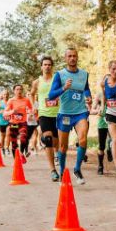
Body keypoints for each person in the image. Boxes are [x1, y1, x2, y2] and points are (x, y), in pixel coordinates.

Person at [48, 48, 92, 185]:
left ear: (77, 57)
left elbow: (85, 88)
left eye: (74, 56)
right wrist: (64, 88)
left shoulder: (84, 74)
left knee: (83, 139)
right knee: (62, 146)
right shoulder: (60, 75)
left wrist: (88, 96)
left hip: (80, 112)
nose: (72, 58)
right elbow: (51, 95)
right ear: (65, 58)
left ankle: (77, 169)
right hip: (65, 114)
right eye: (70, 56)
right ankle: (62, 172)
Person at [30, 56, 61, 181]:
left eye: (49, 64)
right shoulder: (37, 82)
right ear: (41, 66)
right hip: (44, 113)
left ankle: (57, 153)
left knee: (56, 140)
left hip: (58, 113)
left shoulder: (57, 79)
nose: (47, 66)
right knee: (48, 139)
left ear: (51, 66)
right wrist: (35, 106)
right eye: (45, 64)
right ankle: (53, 170)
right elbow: (31, 94)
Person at [3, 84, 34, 161]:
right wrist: (13, 111)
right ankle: (16, 160)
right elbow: (5, 113)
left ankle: (21, 152)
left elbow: (31, 109)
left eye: (20, 89)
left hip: (23, 122)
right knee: (14, 142)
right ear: (14, 91)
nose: (19, 91)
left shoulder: (26, 100)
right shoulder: (11, 100)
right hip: (13, 123)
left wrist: (30, 112)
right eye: (17, 89)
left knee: (23, 137)